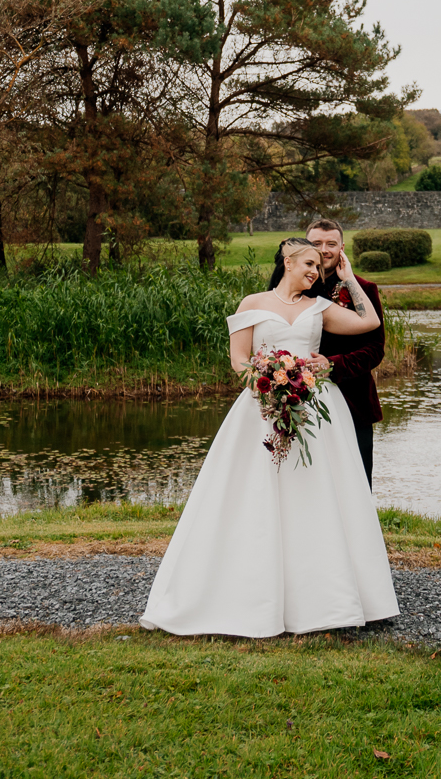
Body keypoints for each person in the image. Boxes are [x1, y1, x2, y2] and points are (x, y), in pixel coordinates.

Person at [140, 238, 399, 637]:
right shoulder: (252, 303)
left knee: (317, 496)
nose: (315, 271)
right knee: (253, 494)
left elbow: (369, 324)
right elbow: (238, 360)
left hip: (315, 410)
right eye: (309, 263)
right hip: (262, 407)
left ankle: (327, 600)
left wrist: (347, 280)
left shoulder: (321, 307)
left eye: (320, 265)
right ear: (287, 260)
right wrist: (267, 386)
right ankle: (243, 594)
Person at [303, 219, 385, 487]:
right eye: (316, 243)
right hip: (300, 400)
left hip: (354, 402)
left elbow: (375, 350)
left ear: (342, 247)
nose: (324, 250)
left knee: (356, 482)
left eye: (331, 244)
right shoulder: (295, 290)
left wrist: (333, 365)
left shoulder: (364, 289)